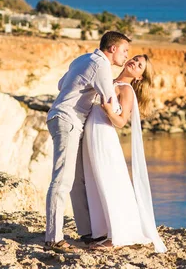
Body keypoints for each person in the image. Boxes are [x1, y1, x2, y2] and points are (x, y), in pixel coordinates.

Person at [44, 31, 131, 253]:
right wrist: (121, 107)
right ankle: (53, 238)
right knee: (63, 179)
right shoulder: (101, 65)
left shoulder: (83, 59)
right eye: (124, 51)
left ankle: (87, 232)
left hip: (63, 117)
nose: (126, 56)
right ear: (112, 49)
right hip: (68, 120)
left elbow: (61, 83)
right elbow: (110, 100)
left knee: (77, 180)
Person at [83, 54, 167, 252]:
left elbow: (121, 122)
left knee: (110, 182)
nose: (134, 63)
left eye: (139, 66)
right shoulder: (110, 81)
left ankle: (118, 236)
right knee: (96, 182)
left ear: (139, 77)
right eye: (136, 59)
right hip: (92, 134)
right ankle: (105, 231)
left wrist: (108, 111)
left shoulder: (126, 90)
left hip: (104, 136)